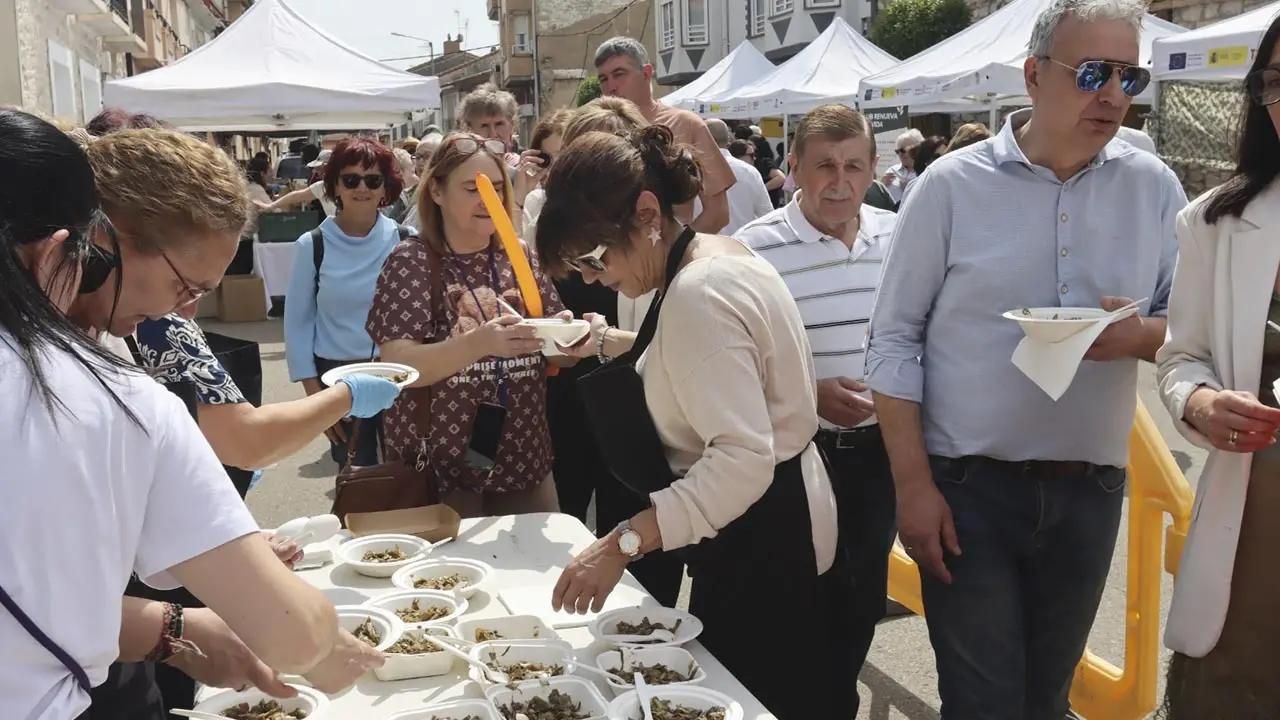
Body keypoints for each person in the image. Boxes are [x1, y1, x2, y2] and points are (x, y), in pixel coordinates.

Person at [0, 108, 382, 720]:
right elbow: (296, 634)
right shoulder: (118, 396)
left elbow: (39, 594)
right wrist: (318, 638)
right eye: (182, 288)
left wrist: (177, 623)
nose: (186, 314)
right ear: (77, 247)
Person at [864, 0, 1185, 716]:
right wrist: (912, 486)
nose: (1112, 96)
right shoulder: (949, 187)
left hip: (1090, 492)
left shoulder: (1153, 187)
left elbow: (1189, 326)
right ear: (1035, 75)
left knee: (1045, 700)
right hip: (968, 490)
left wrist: (1138, 337)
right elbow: (892, 340)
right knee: (984, 704)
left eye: (1129, 77)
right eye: (1094, 72)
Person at [537, 125, 852, 719]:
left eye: (594, 257)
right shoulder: (717, 257)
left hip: (763, 535)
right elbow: (701, 362)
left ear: (648, 212)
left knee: (764, 695)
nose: (591, 278)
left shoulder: (698, 293)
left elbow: (740, 458)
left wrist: (622, 542)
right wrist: (603, 341)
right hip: (774, 515)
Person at [735, 104, 898, 718]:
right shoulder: (754, 248)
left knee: (862, 599)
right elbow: (735, 361)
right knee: (793, 602)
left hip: (879, 455)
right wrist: (809, 394)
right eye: (824, 164)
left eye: (854, 165)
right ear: (795, 166)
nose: (840, 180)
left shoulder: (898, 233)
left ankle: (832, 706)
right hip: (796, 458)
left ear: (873, 168)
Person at [1155, 14, 1280, 717]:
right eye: (1278, 81)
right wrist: (1198, 402)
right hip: (1256, 522)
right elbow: (1181, 356)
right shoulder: (1214, 222)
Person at [368, 132, 574, 518]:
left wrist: (566, 337)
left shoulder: (519, 254)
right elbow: (398, 366)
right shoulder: (411, 261)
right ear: (437, 193)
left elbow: (558, 360)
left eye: (496, 187)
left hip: (523, 460)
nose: (488, 199)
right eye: (472, 188)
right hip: (439, 469)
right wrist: (478, 343)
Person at [284, 137, 407, 468]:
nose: (361, 188)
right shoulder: (311, 245)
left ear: (386, 187)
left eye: (372, 179)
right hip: (337, 378)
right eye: (350, 179)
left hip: (398, 371)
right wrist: (316, 400)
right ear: (334, 186)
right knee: (357, 475)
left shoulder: (405, 241)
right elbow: (297, 324)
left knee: (408, 474)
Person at [594, 36, 735, 233]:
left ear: (646, 73)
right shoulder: (597, 131)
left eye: (619, 74)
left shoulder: (686, 124)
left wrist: (675, 253)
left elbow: (718, 213)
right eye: (603, 79)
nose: (611, 87)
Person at [705, 119, 772, 234]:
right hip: (743, 245)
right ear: (728, 139)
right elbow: (767, 215)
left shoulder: (691, 171)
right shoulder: (750, 171)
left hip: (704, 246)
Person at [882, 128, 922, 205]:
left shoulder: (926, 171)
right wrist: (882, 185)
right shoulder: (892, 171)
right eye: (897, 151)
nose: (900, 154)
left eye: (903, 151)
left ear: (916, 150)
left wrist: (911, 187)